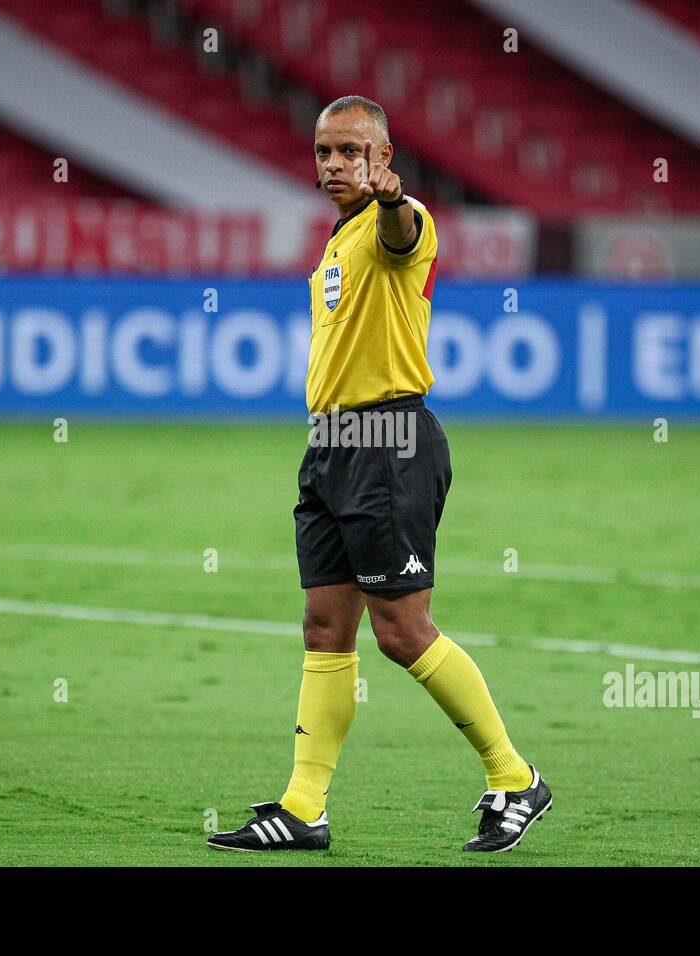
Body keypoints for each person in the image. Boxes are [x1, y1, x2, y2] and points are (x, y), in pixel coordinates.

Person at [208, 96, 550, 853]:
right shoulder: (338, 242)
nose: (334, 164)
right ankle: (304, 808)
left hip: (389, 441)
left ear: (383, 159)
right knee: (325, 628)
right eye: (324, 151)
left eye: (351, 152)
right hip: (331, 447)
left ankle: (515, 777)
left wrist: (394, 198)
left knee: (401, 631)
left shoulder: (404, 220)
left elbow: (404, 230)